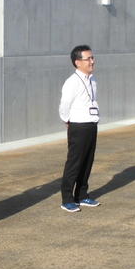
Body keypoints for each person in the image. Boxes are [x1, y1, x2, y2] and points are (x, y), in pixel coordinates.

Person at [58, 45, 101, 212]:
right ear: (77, 62)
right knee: (74, 163)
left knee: (87, 162)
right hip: (78, 126)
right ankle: (67, 199)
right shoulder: (72, 82)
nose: (92, 61)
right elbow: (64, 105)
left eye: (92, 58)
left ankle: (82, 195)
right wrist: (67, 120)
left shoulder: (93, 80)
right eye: (88, 59)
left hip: (91, 124)